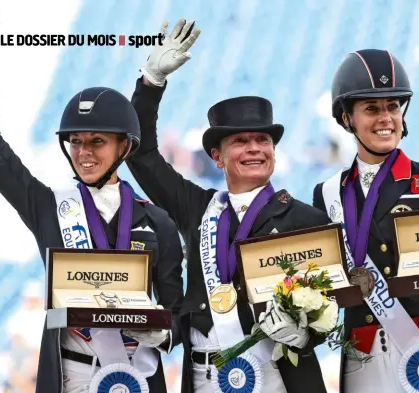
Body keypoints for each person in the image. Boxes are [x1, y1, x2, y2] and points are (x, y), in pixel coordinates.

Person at [0, 2, 184, 393]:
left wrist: (159, 329)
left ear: (125, 147)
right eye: (75, 142)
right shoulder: (48, 206)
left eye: (97, 141)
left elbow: (180, 314)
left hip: (139, 377)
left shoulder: (159, 222)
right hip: (70, 378)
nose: (84, 152)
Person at [125, 20, 331, 393]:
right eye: (240, 141)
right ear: (217, 158)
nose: (254, 148)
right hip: (205, 377)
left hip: (276, 375)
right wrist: (150, 84)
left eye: (262, 139)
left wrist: (305, 333)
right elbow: (142, 156)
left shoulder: (306, 219)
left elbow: (326, 312)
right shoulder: (196, 207)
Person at [312, 49, 419, 393]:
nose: (386, 118)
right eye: (371, 108)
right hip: (362, 364)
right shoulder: (326, 195)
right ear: (346, 119)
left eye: (393, 106)